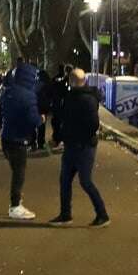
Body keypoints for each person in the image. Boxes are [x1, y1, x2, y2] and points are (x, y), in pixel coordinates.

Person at [49, 68, 110, 227]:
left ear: (72, 82)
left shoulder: (82, 99)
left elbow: (91, 124)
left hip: (82, 146)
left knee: (85, 181)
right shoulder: (78, 98)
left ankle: (102, 214)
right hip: (75, 145)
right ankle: (65, 214)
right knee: (65, 181)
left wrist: (67, 135)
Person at [0, 62, 43, 220]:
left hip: (6, 137)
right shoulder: (28, 95)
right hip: (19, 139)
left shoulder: (7, 92)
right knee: (19, 173)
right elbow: (33, 119)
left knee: (16, 171)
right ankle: (15, 205)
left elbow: (0, 114)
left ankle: (16, 202)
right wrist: (40, 120)